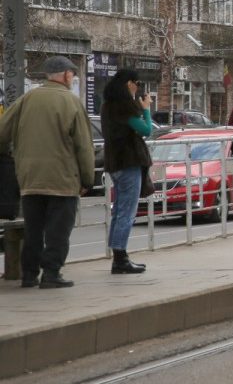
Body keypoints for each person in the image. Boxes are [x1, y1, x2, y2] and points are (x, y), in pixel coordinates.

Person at [0, 56, 94, 288]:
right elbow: (84, 146)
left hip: (30, 179)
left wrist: (15, 161)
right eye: (72, 73)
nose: (72, 77)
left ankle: (29, 275)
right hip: (63, 180)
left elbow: (2, 133)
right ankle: (51, 274)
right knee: (58, 231)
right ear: (66, 75)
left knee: (33, 229)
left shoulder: (26, 99)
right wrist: (87, 179)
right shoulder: (71, 103)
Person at [100, 69, 152, 275]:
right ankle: (121, 258)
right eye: (136, 83)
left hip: (114, 163)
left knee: (120, 210)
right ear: (128, 83)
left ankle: (118, 257)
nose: (138, 87)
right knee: (127, 212)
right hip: (129, 162)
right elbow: (146, 130)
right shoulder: (124, 107)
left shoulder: (107, 106)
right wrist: (146, 109)